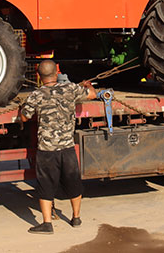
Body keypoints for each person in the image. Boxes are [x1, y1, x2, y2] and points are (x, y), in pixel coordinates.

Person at [19, 59, 97, 234]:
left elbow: (24, 117)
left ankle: (47, 224)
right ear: (56, 74)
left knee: (45, 185)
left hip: (47, 150)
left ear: (39, 77)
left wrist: (22, 108)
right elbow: (92, 94)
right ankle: (76, 218)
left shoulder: (36, 95)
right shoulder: (70, 89)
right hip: (67, 147)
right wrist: (88, 85)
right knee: (73, 183)